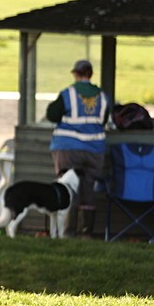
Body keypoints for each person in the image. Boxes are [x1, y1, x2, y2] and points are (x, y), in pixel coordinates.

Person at [47, 59, 110, 236]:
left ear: (75, 74)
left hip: (68, 148)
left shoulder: (69, 93)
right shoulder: (102, 96)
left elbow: (52, 114)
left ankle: (68, 232)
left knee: (68, 187)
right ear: (90, 74)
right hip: (94, 151)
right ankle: (86, 232)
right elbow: (104, 119)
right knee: (88, 188)